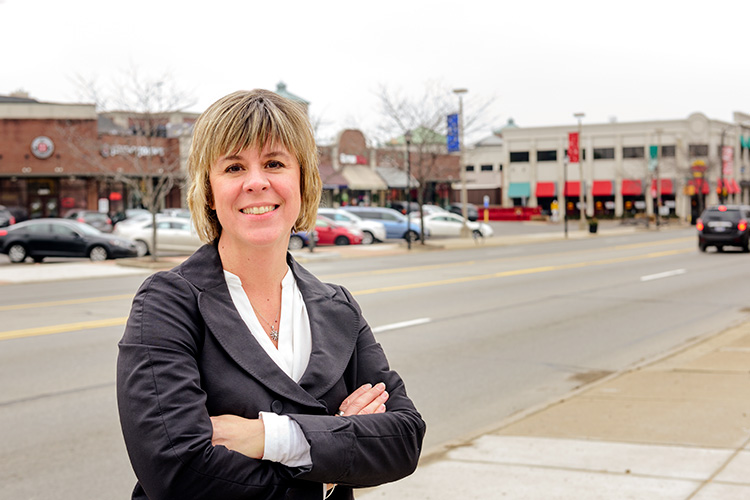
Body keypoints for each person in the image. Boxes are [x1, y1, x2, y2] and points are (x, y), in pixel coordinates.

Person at [116, 89, 426, 500]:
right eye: (234, 167)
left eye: (275, 163)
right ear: (209, 190)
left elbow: (403, 439)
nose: (256, 182)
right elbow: (177, 471)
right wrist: (329, 465)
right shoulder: (167, 303)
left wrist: (269, 437)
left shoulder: (337, 307)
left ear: (303, 180)